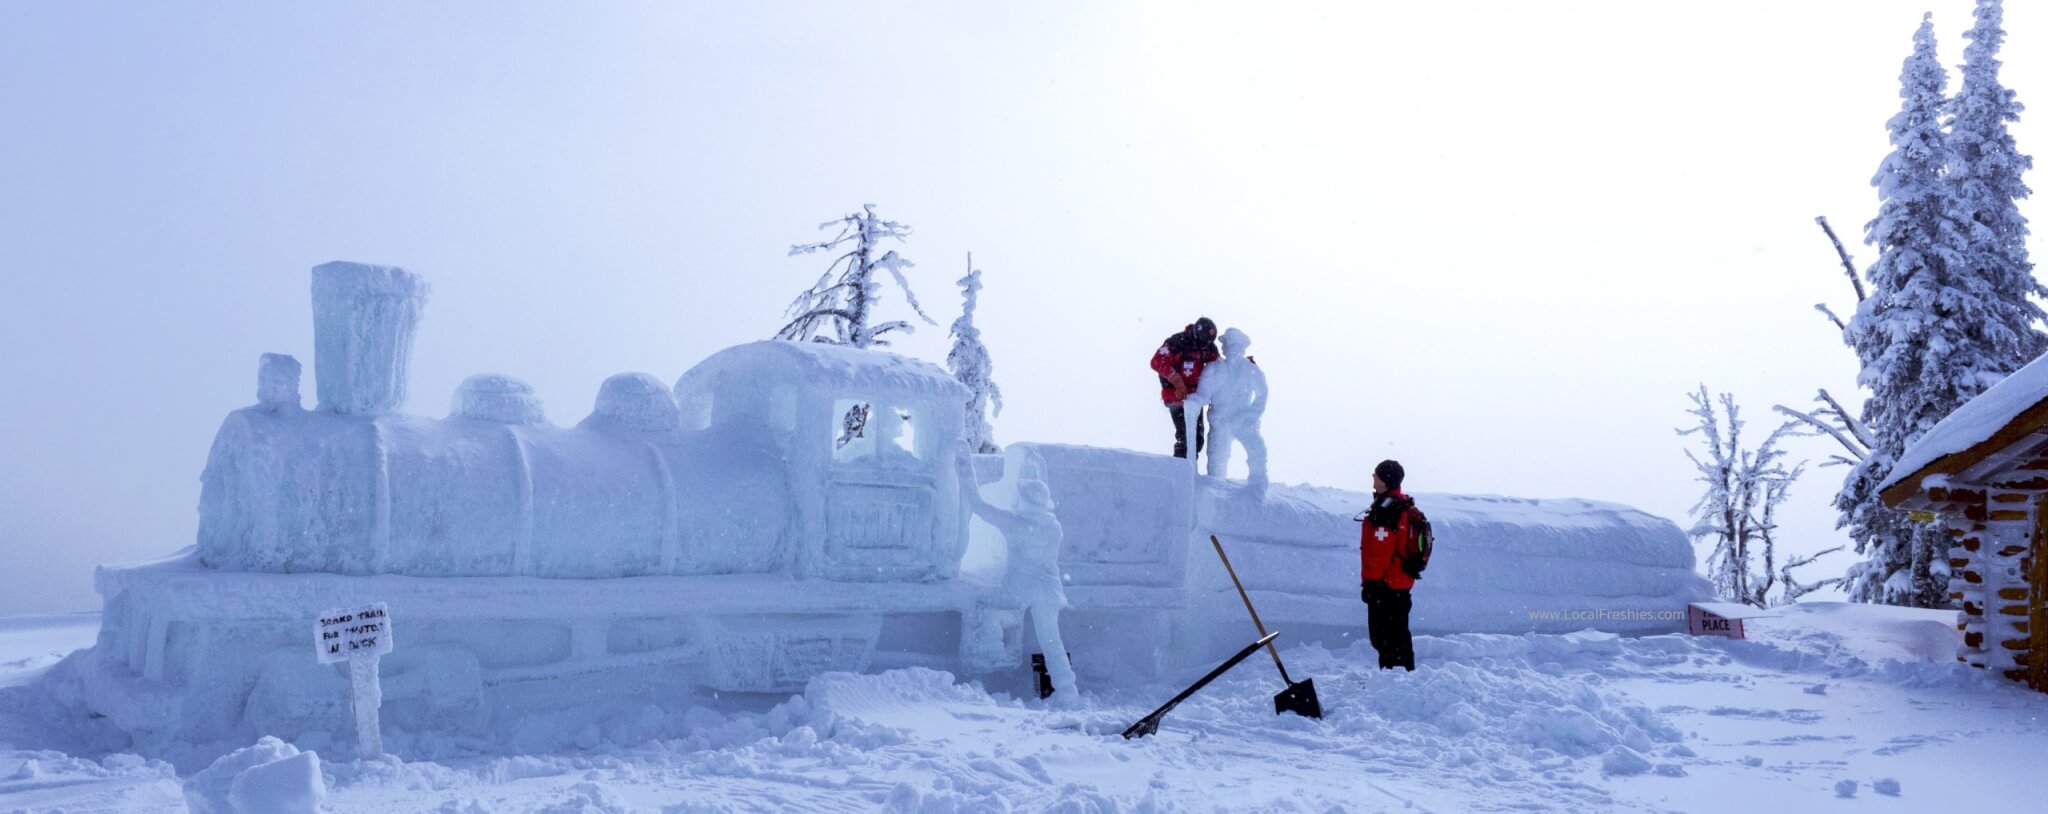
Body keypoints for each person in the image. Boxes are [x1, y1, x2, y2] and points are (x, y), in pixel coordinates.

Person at [957, 451, 1078, 697]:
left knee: (978, 600)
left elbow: (979, 506)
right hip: (1050, 593)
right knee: (1052, 643)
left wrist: (966, 474)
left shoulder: (1016, 525)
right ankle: (1068, 692)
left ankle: (992, 647)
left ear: (1025, 503)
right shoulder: (1054, 528)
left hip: (1019, 592)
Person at [1182, 327, 1268, 493]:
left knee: (1256, 449)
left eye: (1235, 344)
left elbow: (1262, 395)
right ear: (1224, 347)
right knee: (1216, 459)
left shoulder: (1251, 369)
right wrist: (1194, 402)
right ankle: (1215, 491)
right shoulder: (1213, 368)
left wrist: (1251, 414)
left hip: (1244, 420)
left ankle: (1258, 488)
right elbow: (1203, 395)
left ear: (1243, 347)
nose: (1231, 348)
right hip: (1220, 421)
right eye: (1228, 344)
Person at [1358, 459, 1418, 671]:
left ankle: (1393, 679)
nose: (1373, 477)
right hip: (1401, 583)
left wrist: (1372, 583)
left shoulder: (1387, 511)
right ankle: (1403, 678)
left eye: (1376, 475)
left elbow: (1379, 552)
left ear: (1385, 480)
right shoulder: (1403, 504)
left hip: (1385, 586)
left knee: (1384, 638)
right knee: (1399, 635)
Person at [1148, 317, 1220, 460]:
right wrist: (1177, 381)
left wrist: (1240, 365)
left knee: (1197, 440)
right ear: (1197, 334)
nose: (1203, 347)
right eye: (1202, 343)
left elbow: (1220, 366)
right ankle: (1179, 472)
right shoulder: (1177, 342)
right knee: (1186, 438)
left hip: (1195, 397)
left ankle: (1190, 472)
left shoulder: (1208, 346)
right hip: (1175, 395)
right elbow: (1156, 361)